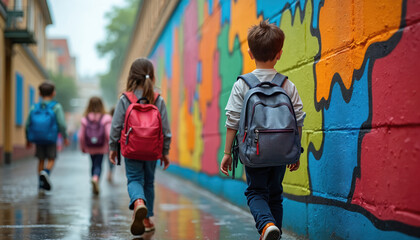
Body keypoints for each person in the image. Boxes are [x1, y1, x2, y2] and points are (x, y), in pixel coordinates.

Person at [220, 21, 306, 240]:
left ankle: (267, 225)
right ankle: (273, 228)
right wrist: (296, 150)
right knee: (275, 195)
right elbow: (299, 119)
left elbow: (233, 120)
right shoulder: (287, 85)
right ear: (279, 54)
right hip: (281, 152)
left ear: (249, 53)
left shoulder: (242, 85)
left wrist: (227, 153)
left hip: (254, 152)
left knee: (256, 192)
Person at [109, 58, 171, 236]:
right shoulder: (157, 98)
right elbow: (165, 129)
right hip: (152, 151)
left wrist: (113, 147)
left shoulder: (125, 98)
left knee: (135, 179)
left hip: (131, 149)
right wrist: (164, 152)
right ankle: (146, 219)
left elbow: (116, 126)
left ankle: (138, 202)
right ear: (152, 75)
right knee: (149, 182)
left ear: (131, 76)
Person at [25, 81, 69, 191]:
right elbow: (62, 124)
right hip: (51, 138)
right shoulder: (56, 107)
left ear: (39, 94)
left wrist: (28, 138)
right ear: (53, 93)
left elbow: (27, 124)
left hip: (38, 138)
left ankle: (40, 183)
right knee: (51, 158)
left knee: (40, 160)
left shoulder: (34, 107)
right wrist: (65, 137)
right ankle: (46, 172)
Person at [78, 97, 112, 195]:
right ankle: (96, 178)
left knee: (92, 164)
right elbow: (108, 134)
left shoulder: (85, 118)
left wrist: (82, 147)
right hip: (101, 147)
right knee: (99, 165)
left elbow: (81, 136)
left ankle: (93, 178)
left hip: (90, 147)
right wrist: (112, 146)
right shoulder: (105, 118)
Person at [106, 107, 115, 182]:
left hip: (106, 144)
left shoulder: (107, 120)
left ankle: (109, 172)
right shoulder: (116, 121)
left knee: (108, 159)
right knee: (112, 159)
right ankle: (110, 172)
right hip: (114, 144)